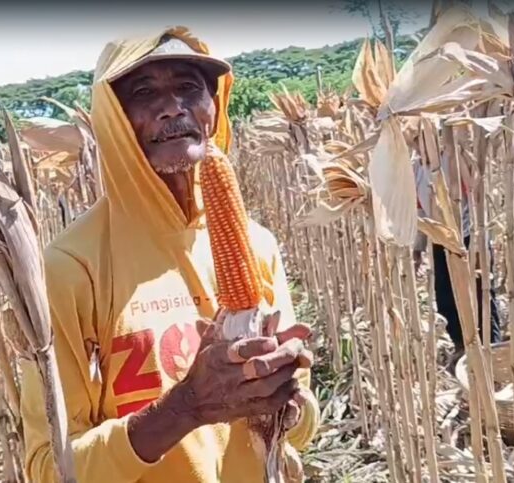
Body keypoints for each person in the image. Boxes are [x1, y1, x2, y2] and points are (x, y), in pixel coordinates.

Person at [20, 28, 320, 483]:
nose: (172, 107)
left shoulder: (259, 244)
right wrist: (188, 406)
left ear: (213, 108)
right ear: (113, 121)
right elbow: (48, 469)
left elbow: (298, 434)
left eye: (188, 87)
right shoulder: (68, 268)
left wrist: (286, 403)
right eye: (144, 92)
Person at [412, 151, 501, 371]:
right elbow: (420, 211)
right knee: (445, 298)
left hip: (469, 235)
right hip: (440, 239)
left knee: (480, 293)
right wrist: (418, 248)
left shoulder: (450, 157)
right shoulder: (415, 169)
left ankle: (493, 352)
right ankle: (462, 347)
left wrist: (477, 238)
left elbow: (472, 192)